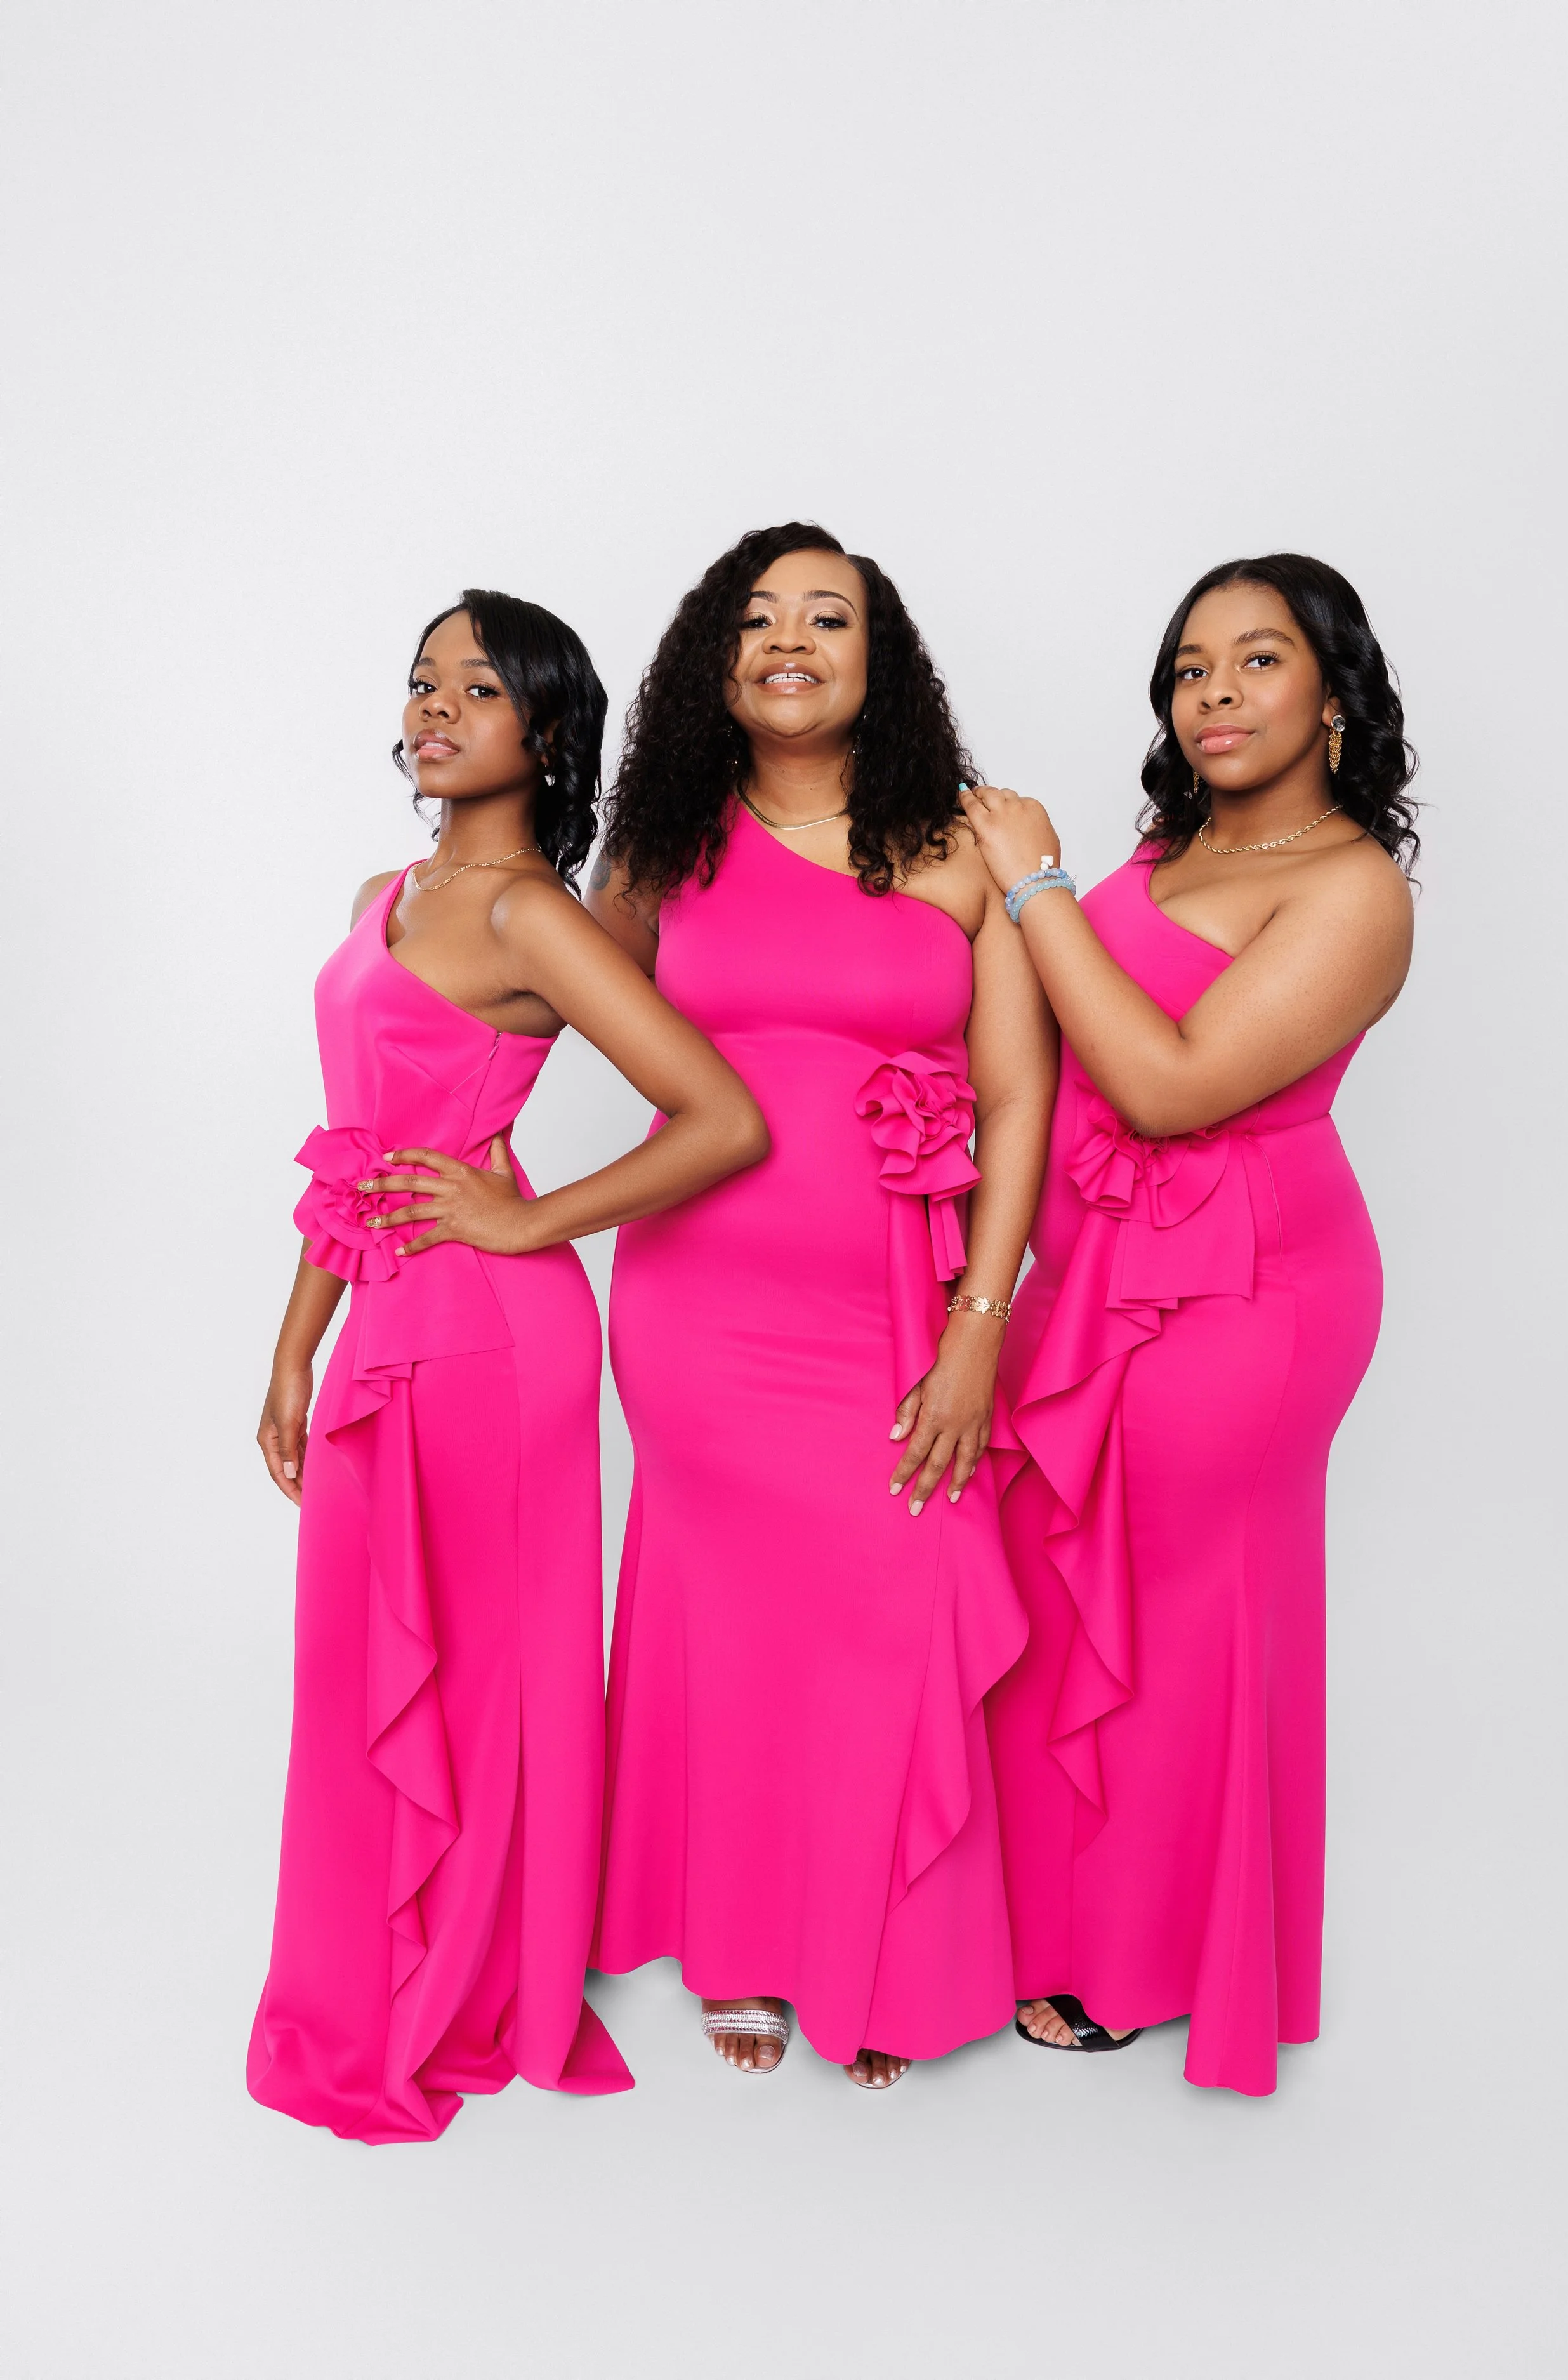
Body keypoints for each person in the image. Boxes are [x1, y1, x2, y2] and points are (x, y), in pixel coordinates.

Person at [249, 590, 767, 2141]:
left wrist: (529, 1211)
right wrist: (294, 1344)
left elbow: (722, 1114)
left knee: (484, 1660)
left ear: (539, 734)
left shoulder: (532, 915)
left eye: (473, 690)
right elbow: (356, 1153)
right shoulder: (382, 893)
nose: (432, 709)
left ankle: (481, 1966)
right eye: (420, 683)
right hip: (385, 1318)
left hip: (490, 1334)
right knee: (373, 1649)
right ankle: (397, 1936)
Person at [589, 524, 1056, 2089]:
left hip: (887, 1307)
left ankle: (883, 1943)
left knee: (889, 1602)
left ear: (880, 655)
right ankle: (742, 1943)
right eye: (757, 617)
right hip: (693, 1304)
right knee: (734, 1621)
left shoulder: (956, 844)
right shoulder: (660, 845)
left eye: (827, 616)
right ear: (712, 659)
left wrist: (980, 1323)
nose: (789, 639)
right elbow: (539, 995)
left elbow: (1015, 1090)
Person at [963, 554, 1416, 2096]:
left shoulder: (1352, 889)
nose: (1213, 694)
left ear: (1333, 699)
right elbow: (1050, 1044)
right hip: (1088, 1273)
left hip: (1245, 1289)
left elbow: (1163, 1085)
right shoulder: (1161, 852)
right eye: (1188, 667)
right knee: (1045, 1575)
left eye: (1256, 661)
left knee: (1178, 1610)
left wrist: (1033, 889)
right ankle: (1030, 1922)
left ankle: (1152, 1959)